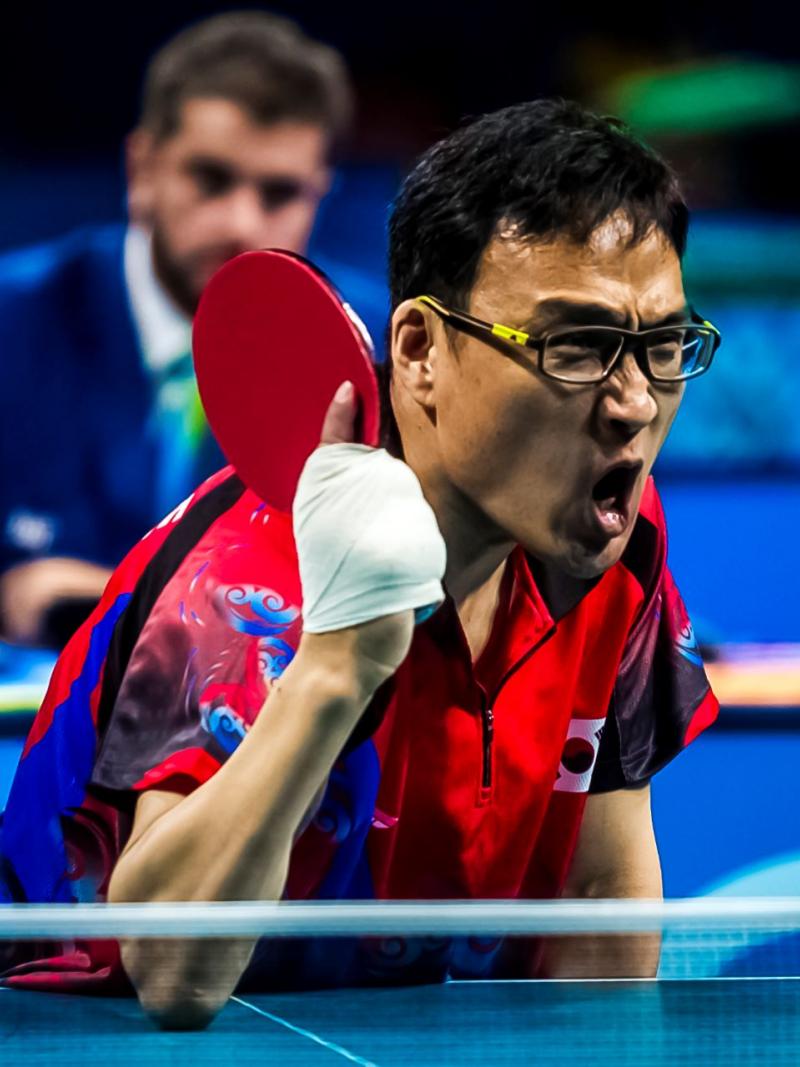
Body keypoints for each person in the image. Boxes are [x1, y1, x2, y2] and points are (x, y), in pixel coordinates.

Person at [0, 99, 721, 1027]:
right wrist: (337, 663)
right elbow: (171, 973)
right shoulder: (252, 571)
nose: (631, 403)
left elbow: (599, 902)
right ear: (419, 350)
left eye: (660, 347)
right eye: (575, 347)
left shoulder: (613, 537)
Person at [0, 11, 386, 647]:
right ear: (142, 169)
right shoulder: (13, 320)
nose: (241, 223)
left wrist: (110, 593)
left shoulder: (376, 347)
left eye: (280, 193)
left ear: (320, 194)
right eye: (211, 178)